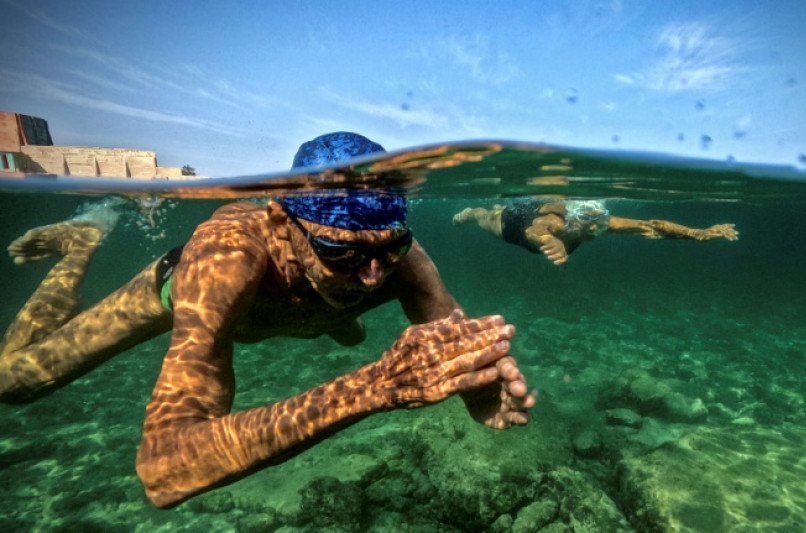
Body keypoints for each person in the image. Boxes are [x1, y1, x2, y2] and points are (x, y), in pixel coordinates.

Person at [0, 132, 534, 509]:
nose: (374, 276)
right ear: (283, 222)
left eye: (389, 250)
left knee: (349, 310)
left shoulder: (401, 261)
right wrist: (376, 385)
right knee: (15, 381)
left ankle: (333, 314)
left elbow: (458, 343)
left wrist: (482, 387)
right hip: (186, 290)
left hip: (314, 308)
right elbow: (164, 468)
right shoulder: (223, 262)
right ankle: (80, 243)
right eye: (342, 253)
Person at [452, 199, 739, 266]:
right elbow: (533, 230)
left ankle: (500, 203)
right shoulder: (556, 221)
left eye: (597, 222)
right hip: (511, 225)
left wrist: (698, 233)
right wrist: (552, 242)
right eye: (586, 224)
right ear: (572, 219)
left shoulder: (601, 222)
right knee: (484, 216)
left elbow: (652, 227)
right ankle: (472, 212)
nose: (593, 230)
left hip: (534, 215)